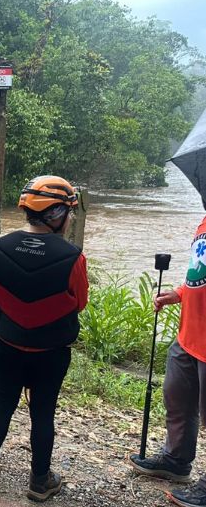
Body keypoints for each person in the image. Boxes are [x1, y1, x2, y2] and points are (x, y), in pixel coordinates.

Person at [0, 176, 88, 502]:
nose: (70, 218)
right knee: (43, 412)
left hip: (9, 344)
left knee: (2, 403)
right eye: (69, 212)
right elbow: (79, 301)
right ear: (56, 214)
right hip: (52, 350)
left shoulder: (1, 247)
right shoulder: (74, 256)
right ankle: (40, 480)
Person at [129, 210, 206, 507]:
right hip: (189, 334)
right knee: (177, 398)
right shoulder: (203, 222)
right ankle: (176, 461)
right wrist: (179, 293)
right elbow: (199, 270)